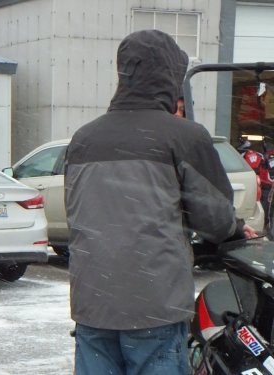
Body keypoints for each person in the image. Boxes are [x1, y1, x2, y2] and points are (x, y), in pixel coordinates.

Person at [64, 30, 255, 374]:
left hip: (92, 300)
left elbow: (80, 214)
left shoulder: (84, 138)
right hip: (154, 301)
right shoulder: (182, 136)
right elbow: (214, 217)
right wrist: (235, 231)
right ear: (171, 76)